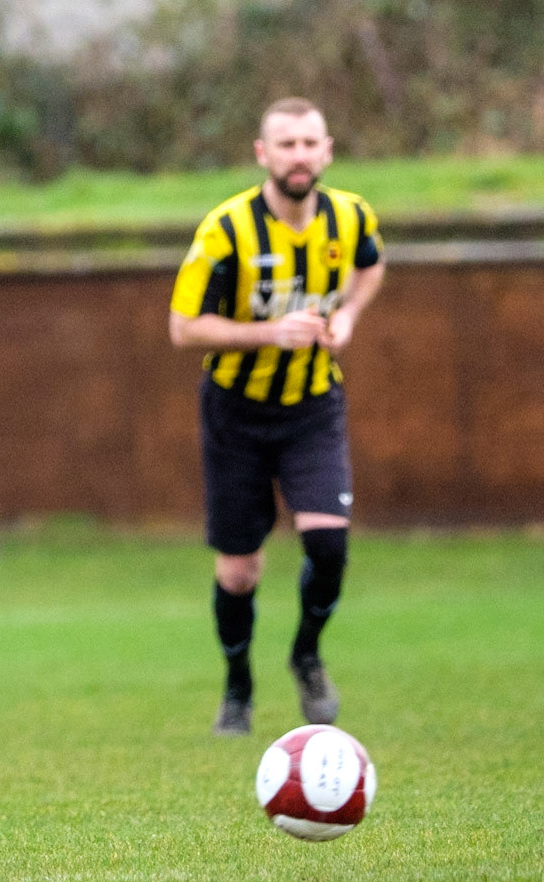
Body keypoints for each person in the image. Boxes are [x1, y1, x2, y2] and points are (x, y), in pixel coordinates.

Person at [169, 98, 385, 736]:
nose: (299, 156)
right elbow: (183, 327)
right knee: (240, 571)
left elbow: (371, 267)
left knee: (329, 542)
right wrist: (270, 333)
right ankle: (238, 685)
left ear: (328, 151)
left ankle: (306, 655)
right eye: (286, 144)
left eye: (309, 143)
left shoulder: (350, 216)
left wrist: (347, 315)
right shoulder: (226, 229)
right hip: (234, 414)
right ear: (263, 153)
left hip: (313, 407)